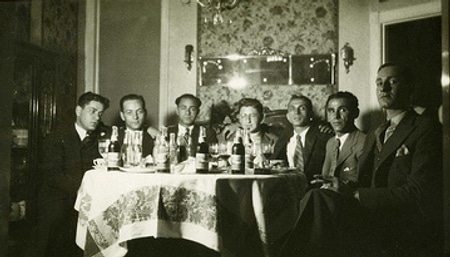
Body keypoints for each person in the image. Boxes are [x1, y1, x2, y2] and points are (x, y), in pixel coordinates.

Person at [279, 63, 443, 257]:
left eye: (393, 81)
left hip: (397, 218)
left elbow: (418, 192)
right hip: (367, 211)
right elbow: (364, 178)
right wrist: (340, 186)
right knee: (316, 196)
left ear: (410, 88)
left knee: (318, 205)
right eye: (379, 82)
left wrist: (354, 193)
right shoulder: (377, 131)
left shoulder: (425, 128)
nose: (384, 88)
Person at [26, 92, 110, 257]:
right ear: (78, 111)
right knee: (54, 221)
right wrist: (82, 192)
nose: (96, 117)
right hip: (59, 195)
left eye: (100, 114)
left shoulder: (102, 136)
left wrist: (149, 129)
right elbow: (54, 176)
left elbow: (122, 131)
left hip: (89, 198)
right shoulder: (58, 136)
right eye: (92, 111)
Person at [272, 95, 333, 184]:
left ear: (311, 114)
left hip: (313, 189)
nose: (296, 112)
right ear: (288, 116)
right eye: (292, 109)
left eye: (302, 108)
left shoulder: (323, 135)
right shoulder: (283, 139)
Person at [314, 91, 366, 187]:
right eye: (331, 111)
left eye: (342, 110)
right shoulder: (331, 143)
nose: (336, 116)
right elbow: (325, 176)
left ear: (355, 113)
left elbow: (364, 184)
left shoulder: (363, 142)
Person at [167, 93, 217, 159]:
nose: (187, 112)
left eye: (192, 109)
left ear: (198, 112)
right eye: (183, 108)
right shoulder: (167, 133)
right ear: (177, 111)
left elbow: (212, 158)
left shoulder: (207, 133)